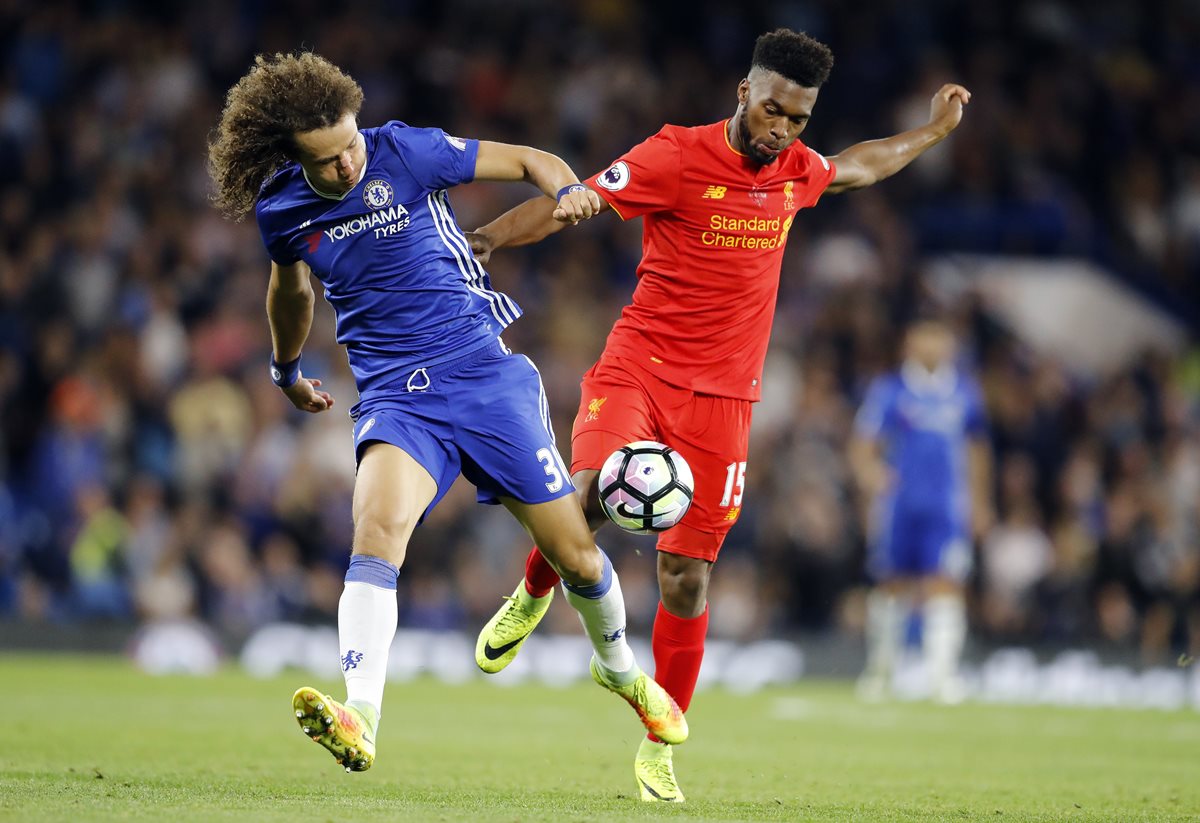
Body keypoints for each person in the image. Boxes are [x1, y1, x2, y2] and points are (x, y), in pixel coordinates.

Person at [467, 28, 971, 802]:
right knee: (594, 486)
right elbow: (579, 204)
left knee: (685, 577)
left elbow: (862, 165)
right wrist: (491, 239)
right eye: (773, 111)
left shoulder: (797, 170)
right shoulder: (674, 154)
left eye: (798, 120)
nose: (782, 131)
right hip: (639, 368)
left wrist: (933, 131)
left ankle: (658, 745)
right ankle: (533, 593)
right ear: (744, 92)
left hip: (725, 403)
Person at [206, 52, 686, 775]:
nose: (346, 166)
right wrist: (285, 369)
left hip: (484, 375)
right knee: (376, 532)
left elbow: (531, 159)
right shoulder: (282, 210)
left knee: (577, 555)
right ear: (289, 156)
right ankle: (360, 714)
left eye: (350, 145)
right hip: (399, 397)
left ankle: (618, 668)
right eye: (327, 160)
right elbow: (292, 294)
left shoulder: (407, 149)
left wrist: (570, 188)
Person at [849, 317, 993, 703]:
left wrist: (979, 501)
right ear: (910, 342)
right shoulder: (891, 390)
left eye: (940, 336)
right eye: (925, 335)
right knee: (891, 584)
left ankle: (942, 677)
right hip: (899, 506)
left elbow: (977, 448)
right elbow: (864, 441)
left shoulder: (963, 391)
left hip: (946, 507)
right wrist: (871, 474)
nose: (933, 344)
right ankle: (880, 672)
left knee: (946, 583)